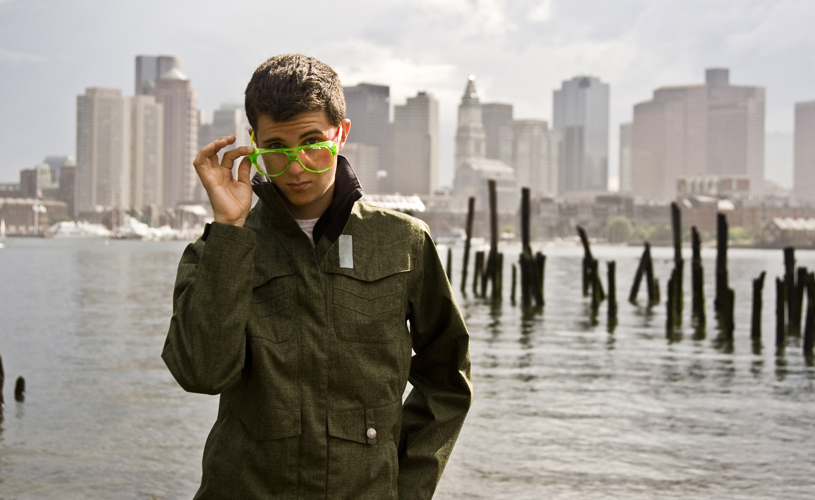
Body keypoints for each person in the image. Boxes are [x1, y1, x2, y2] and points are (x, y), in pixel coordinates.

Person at [162, 53, 472, 499]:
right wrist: (229, 229)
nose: (295, 166)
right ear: (254, 143)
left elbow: (447, 379)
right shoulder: (218, 250)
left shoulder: (404, 241)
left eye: (312, 142)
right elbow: (201, 375)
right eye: (276, 149)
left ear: (341, 133)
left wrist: (407, 488)